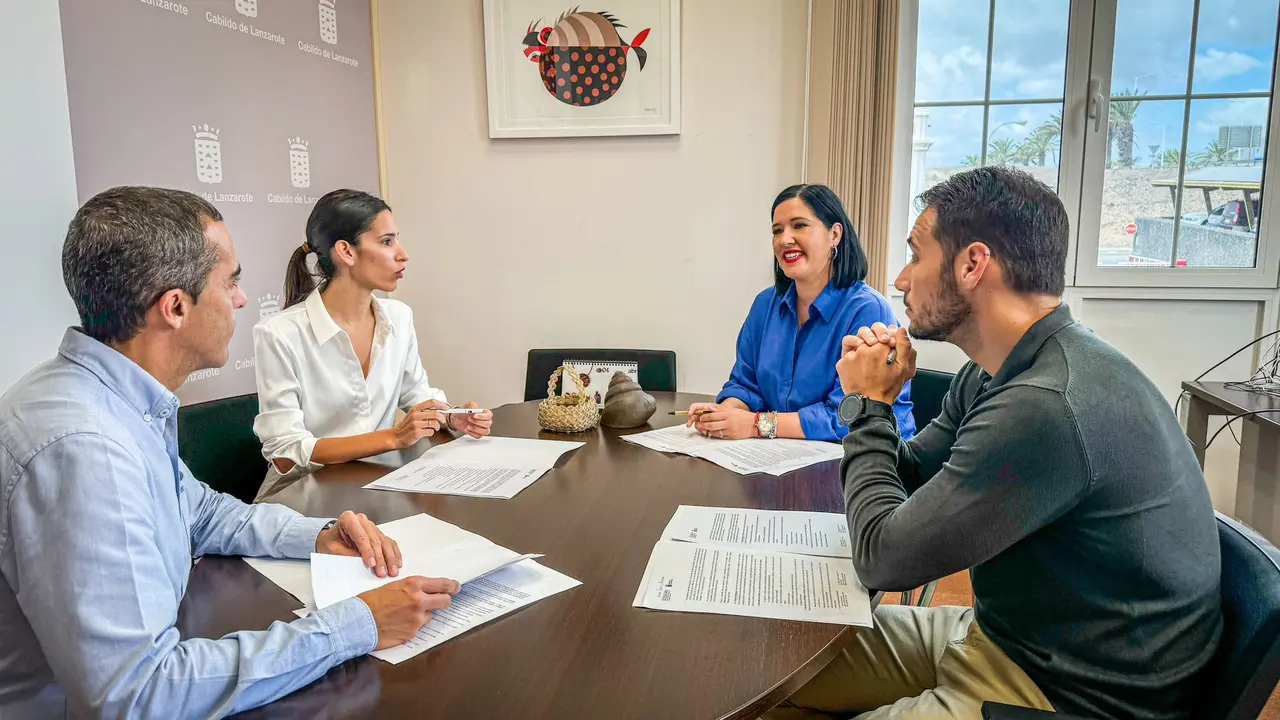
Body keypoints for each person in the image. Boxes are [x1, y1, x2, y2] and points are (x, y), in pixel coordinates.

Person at [770, 167, 1222, 720]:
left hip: (1063, 693)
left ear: (971, 264)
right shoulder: (993, 372)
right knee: (775, 662)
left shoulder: (1046, 404)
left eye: (915, 255)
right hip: (1004, 636)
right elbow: (912, 472)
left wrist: (868, 405)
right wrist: (875, 407)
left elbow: (882, 560)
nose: (900, 279)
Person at [0, 186, 462, 718]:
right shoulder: (84, 450)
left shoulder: (112, 397)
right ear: (175, 306)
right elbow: (139, 695)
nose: (242, 298)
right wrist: (356, 624)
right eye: (232, 281)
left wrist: (319, 535)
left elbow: (199, 512)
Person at [252, 189, 493, 501]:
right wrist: (392, 438)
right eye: (386, 242)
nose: (402, 254)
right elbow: (285, 454)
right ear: (346, 252)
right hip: (303, 499)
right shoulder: (278, 334)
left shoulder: (399, 317)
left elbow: (416, 394)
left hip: (373, 486)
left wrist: (451, 416)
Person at [688, 184, 914, 442]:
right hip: (781, 458)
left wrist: (756, 424)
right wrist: (725, 413)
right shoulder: (764, 305)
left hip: (865, 461)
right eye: (777, 230)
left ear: (835, 235)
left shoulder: (868, 309)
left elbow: (849, 416)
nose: (785, 239)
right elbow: (744, 385)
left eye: (799, 226)